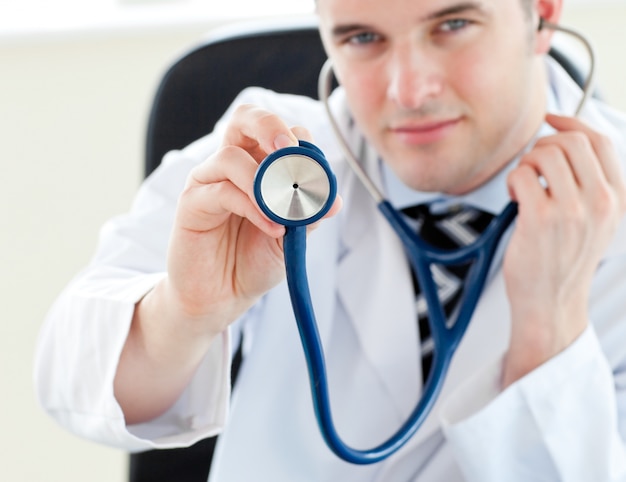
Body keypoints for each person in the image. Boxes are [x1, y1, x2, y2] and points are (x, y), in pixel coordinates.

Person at [35, 0, 626, 480]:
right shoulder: (263, 162)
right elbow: (71, 375)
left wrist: (549, 330)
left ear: (542, 13)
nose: (409, 89)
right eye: (362, 38)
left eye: (452, 24)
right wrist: (186, 312)